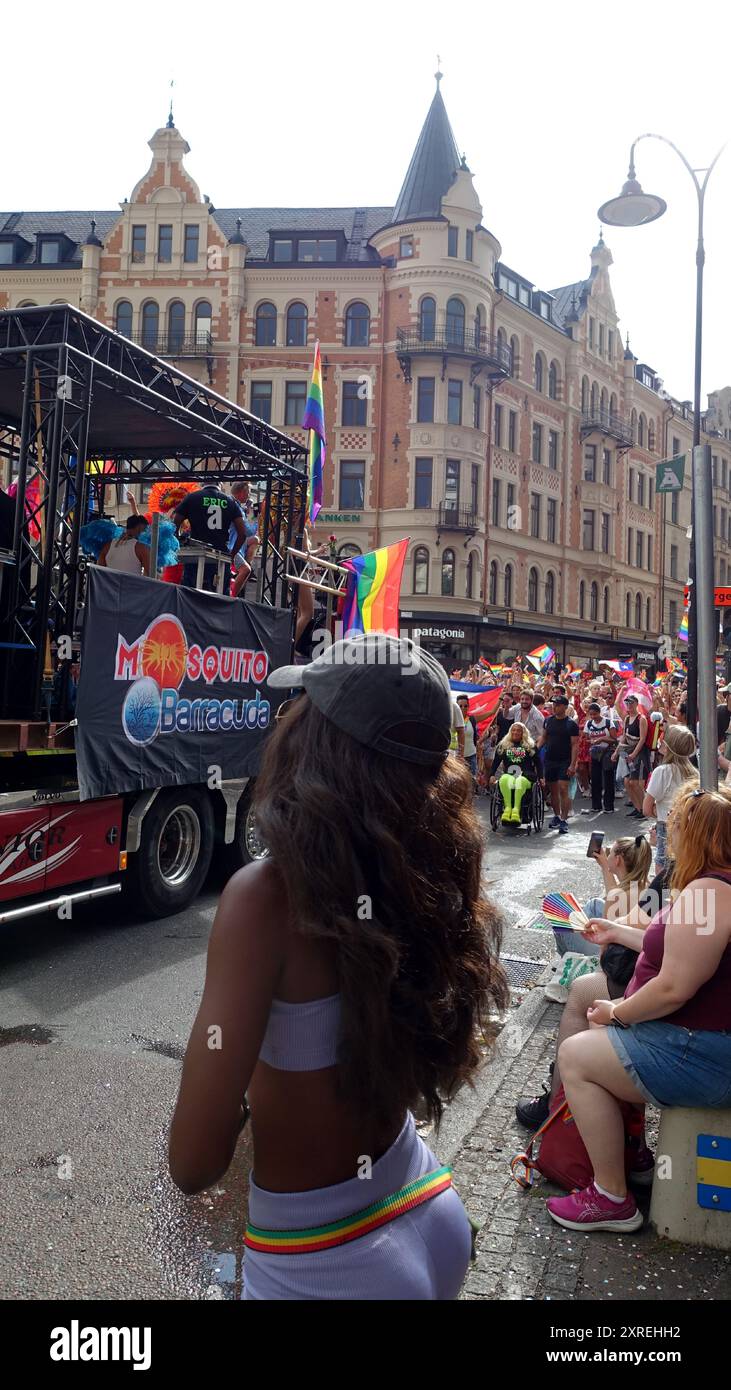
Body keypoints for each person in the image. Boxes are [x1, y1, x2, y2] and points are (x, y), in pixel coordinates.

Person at [168, 632, 508, 1300]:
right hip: (427, 1209)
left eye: (301, 707)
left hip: (323, 1264)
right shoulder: (434, 866)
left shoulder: (267, 897)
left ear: (319, 743)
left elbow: (191, 1163)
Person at [546, 783, 731, 1234]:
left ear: (699, 836)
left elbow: (672, 988)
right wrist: (615, 931)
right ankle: (634, 1158)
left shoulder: (709, 891)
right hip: (695, 1042)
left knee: (576, 1056)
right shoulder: (713, 886)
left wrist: (619, 1012)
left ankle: (611, 1197)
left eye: (678, 828)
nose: (670, 836)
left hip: (699, 1052)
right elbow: (674, 948)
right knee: (593, 1045)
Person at [642, 725, 698, 872]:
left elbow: (646, 809)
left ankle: (667, 895)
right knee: (684, 870)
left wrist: (660, 813)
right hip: (689, 827)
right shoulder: (695, 773)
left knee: (664, 872)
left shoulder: (662, 772)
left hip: (667, 826)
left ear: (667, 746)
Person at [537, 695, 579, 835]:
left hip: (564, 761)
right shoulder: (548, 721)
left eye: (558, 705)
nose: (555, 707)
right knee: (553, 790)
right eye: (554, 704)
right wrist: (535, 749)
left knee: (563, 788)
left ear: (565, 707)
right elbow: (544, 737)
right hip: (550, 760)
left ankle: (564, 819)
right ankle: (556, 816)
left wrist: (573, 765)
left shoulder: (571, 724)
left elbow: (574, 745)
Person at [490, 722, 539, 825]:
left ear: (523, 733)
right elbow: (496, 762)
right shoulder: (503, 745)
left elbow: (539, 763)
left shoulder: (530, 745)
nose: (516, 732)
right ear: (510, 731)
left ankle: (516, 810)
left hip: (526, 776)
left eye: (518, 730)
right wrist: (492, 775)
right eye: (513, 730)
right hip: (509, 775)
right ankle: (507, 809)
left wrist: (542, 777)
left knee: (519, 781)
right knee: (503, 779)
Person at [613, 694, 649, 818]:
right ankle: (637, 807)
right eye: (627, 703)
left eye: (631, 703)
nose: (629, 705)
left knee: (635, 782)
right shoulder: (627, 718)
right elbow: (624, 737)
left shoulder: (641, 719)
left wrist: (634, 754)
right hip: (628, 753)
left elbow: (642, 739)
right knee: (627, 782)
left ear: (636, 704)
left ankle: (645, 808)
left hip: (639, 754)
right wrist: (616, 752)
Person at [584, 700, 617, 813]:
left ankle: (609, 806)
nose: (593, 717)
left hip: (607, 753)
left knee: (608, 779)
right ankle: (596, 805)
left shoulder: (608, 722)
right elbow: (586, 738)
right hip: (595, 753)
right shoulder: (589, 724)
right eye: (591, 714)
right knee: (595, 778)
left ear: (599, 713)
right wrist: (592, 741)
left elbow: (614, 739)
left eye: (595, 714)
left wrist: (602, 739)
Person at [228, 481, 258, 596]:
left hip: (232, 546)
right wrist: (256, 518)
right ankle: (231, 596)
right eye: (248, 492)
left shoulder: (234, 505)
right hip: (231, 548)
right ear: (241, 492)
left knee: (255, 540)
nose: (249, 495)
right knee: (246, 570)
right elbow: (248, 531)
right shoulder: (237, 508)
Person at [456, 694, 477, 778]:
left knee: (471, 781)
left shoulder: (472, 719)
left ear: (468, 706)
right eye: (460, 706)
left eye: (465, 706)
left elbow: (492, 712)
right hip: (456, 756)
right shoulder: (451, 719)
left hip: (471, 756)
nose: (463, 708)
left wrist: (500, 697)